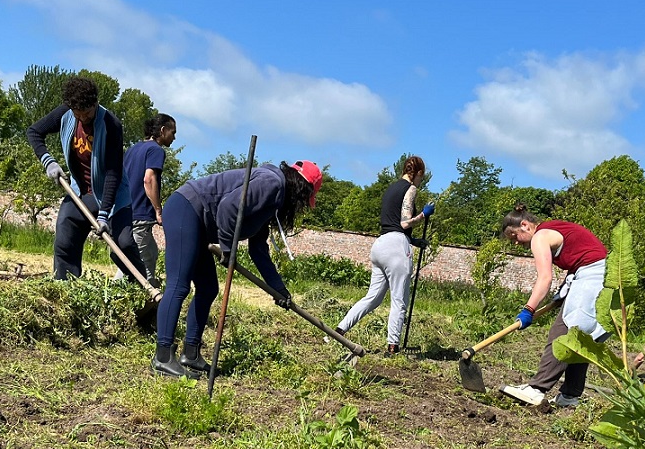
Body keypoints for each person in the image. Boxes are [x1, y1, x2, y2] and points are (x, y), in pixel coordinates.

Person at [152, 160, 323, 377]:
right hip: (186, 209)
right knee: (178, 285)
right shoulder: (272, 185)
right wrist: (226, 247)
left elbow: (258, 249)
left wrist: (278, 289)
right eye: (303, 201)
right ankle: (163, 357)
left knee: (208, 288)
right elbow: (228, 207)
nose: (299, 208)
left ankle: (191, 354)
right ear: (301, 189)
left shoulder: (273, 200)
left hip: (199, 222)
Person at [26, 76, 147, 281]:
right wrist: (49, 161)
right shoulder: (65, 113)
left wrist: (104, 214)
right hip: (81, 191)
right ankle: (66, 290)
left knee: (123, 244)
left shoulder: (111, 125)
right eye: (78, 114)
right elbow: (34, 132)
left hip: (114, 196)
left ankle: (139, 287)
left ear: (96, 103)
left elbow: (113, 173)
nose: (83, 118)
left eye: (88, 113)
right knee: (65, 239)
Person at [498, 204, 609, 408]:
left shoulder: (540, 236)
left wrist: (528, 310)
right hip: (607, 279)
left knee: (563, 333)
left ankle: (537, 388)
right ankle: (570, 396)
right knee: (582, 339)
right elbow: (582, 254)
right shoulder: (553, 228)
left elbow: (544, 278)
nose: (515, 244)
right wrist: (567, 286)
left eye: (514, 237)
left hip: (593, 278)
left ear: (524, 225)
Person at [333, 155, 434, 355]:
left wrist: (413, 241)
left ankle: (339, 329)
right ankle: (393, 347)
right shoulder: (411, 189)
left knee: (373, 297)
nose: (420, 182)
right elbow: (405, 223)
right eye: (421, 178)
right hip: (397, 249)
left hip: (380, 245)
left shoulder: (391, 188)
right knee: (399, 300)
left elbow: (393, 224)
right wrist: (424, 214)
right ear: (418, 174)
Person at [116, 113, 177, 287]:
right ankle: (119, 298)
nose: (174, 137)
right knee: (136, 261)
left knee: (150, 252)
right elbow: (148, 179)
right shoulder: (156, 150)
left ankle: (148, 296)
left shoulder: (133, 149)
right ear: (163, 130)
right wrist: (158, 210)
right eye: (173, 132)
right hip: (140, 213)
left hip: (125, 210)